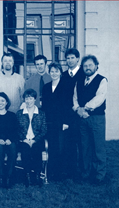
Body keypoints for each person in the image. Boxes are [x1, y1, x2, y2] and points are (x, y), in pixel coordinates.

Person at [73, 55, 107, 185]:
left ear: (96, 66)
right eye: (85, 66)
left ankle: (99, 175)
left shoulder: (102, 80)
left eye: (90, 65)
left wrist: (85, 108)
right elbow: (74, 98)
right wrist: (78, 110)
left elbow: (99, 98)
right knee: (85, 147)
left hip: (96, 118)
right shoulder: (79, 81)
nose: (87, 68)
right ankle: (86, 173)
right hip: (82, 119)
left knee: (98, 148)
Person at [60, 48, 85, 180]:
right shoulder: (63, 76)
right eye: (67, 58)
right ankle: (70, 171)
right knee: (68, 143)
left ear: (77, 59)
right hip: (67, 116)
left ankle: (82, 171)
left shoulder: (83, 74)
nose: (69, 60)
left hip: (81, 115)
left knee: (82, 144)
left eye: (72, 58)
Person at [16, 89, 47, 187]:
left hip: (36, 140)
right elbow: (16, 129)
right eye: (26, 98)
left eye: (30, 98)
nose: (28, 101)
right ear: (24, 100)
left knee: (37, 150)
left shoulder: (41, 113)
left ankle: (37, 176)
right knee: (25, 152)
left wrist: (34, 140)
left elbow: (44, 130)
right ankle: (27, 176)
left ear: (34, 99)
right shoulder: (19, 113)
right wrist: (24, 139)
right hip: (23, 140)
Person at [41, 62, 66, 181]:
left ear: (60, 72)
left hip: (61, 123)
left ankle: (59, 173)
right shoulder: (46, 87)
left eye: (56, 71)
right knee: (50, 147)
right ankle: (50, 172)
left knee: (60, 147)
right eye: (52, 71)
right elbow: (44, 106)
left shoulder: (66, 86)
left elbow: (68, 105)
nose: (54, 73)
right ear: (49, 73)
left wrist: (66, 122)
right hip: (48, 122)